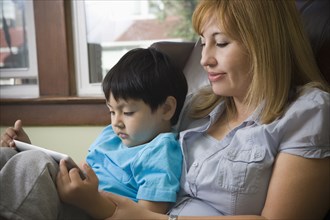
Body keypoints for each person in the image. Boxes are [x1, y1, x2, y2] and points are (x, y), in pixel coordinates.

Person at [93, 0, 329, 219]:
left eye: (221, 43)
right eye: (204, 43)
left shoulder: (308, 113)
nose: (205, 59)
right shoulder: (194, 105)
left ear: (266, 45)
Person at [0, 48, 188, 219]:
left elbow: (147, 217)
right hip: (77, 201)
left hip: (96, 213)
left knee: (34, 163)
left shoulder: (160, 152)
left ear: (166, 109)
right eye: (112, 111)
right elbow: (87, 172)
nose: (116, 122)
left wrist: (89, 201)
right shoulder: (111, 135)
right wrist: (26, 148)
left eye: (128, 112)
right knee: (8, 156)